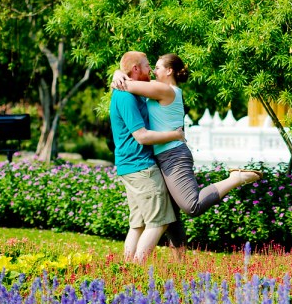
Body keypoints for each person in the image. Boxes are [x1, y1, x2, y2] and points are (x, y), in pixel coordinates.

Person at [112, 53, 261, 255]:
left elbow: (125, 86)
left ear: (169, 71)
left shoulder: (164, 89)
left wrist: (120, 75)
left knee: (192, 205)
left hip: (173, 155)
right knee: (171, 216)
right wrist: (118, 72)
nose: (153, 71)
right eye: (150, 66)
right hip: (160, 157)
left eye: (156, 67)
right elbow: (128, 82)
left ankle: (236, 178)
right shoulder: (155, 89)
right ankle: (180, 265)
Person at [109, 51, 187, 263]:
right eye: (146, 65)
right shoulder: (125, 96)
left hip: (131, 166)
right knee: (159, 222)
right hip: (140, 166)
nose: (150, 70)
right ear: (135, 69)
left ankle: (126, 269)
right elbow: (142, 136)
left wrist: (118, 72)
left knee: (139, 224)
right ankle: (136, 267)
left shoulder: (130, 91)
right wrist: (176, 135)